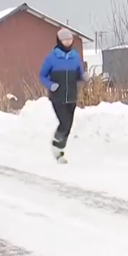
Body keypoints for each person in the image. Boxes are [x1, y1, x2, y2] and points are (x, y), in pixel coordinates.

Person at [39, 27, 85, 164]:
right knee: (64, 123)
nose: (68, 42)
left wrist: (84, 76)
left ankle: (59, 148)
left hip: (71, 95)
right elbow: (42, 76)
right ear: (59, 41)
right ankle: (57, 149)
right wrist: (50, 85)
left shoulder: (75, 57)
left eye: (70, 40)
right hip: (57, 96)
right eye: (65, 40)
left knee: (68, 125)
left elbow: (79, 74)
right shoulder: (52, 58)